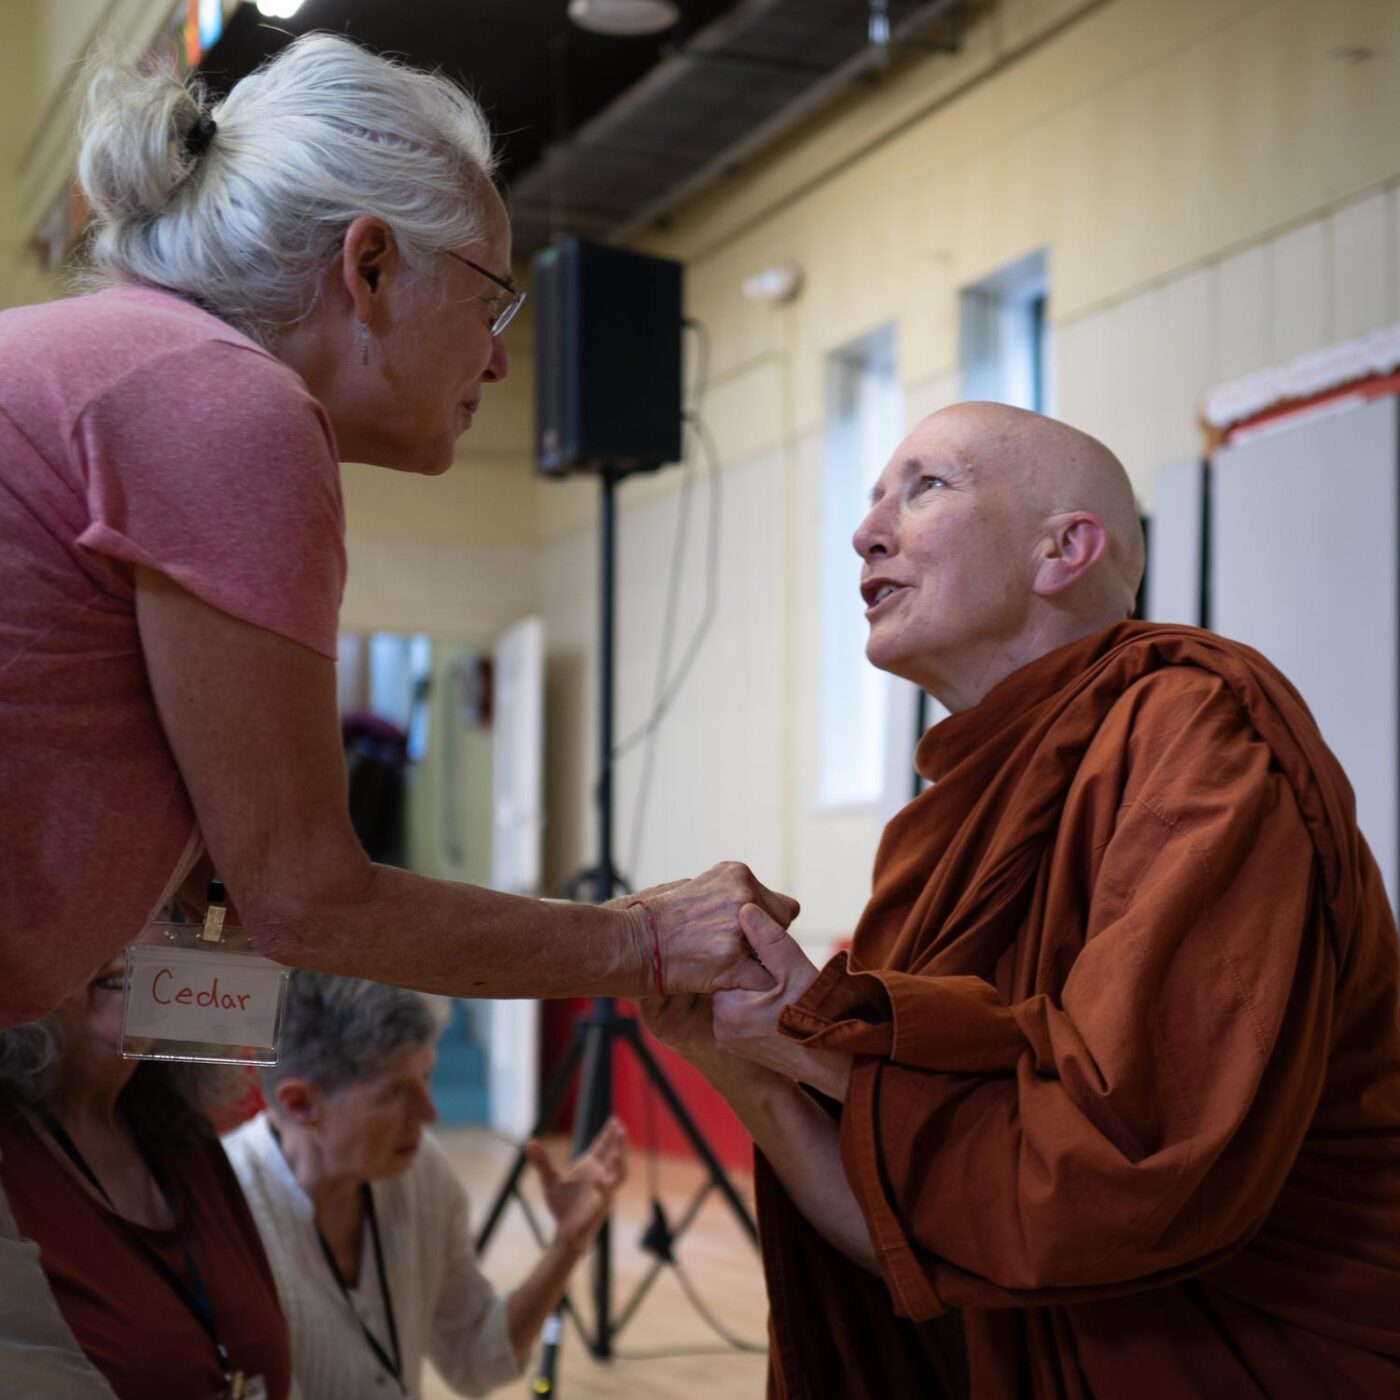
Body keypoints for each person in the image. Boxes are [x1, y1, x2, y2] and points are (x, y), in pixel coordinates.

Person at [0, 33, 791, 1389]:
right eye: (490, 298)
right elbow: (311, 899)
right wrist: (644, 941)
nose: (495, 357)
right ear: (365, 266)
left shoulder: (114, 358)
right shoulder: (227, 404)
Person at [644, 402, 1400, 1398]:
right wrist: (739, 1061)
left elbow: (1121, 1169)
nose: (867, 529)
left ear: (1064, 549)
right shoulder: (939, 828)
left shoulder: (1197, 732)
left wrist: (807, 1042)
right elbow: (931, 1246)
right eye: (872, 497)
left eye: (926, 486)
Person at [225, 971, 625, 1399]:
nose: (430, 1113)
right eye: (395, 1092)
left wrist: (567, 1244)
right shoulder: (227, 1212)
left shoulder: (421, 1172)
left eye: (427, 1078)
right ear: (301, 1104)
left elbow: (475, 1359)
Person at [0, 954, 293, 1398]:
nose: (132, 938)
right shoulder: (13, 1164)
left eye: (155, 910)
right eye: (91, 910)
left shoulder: (179, 1127)